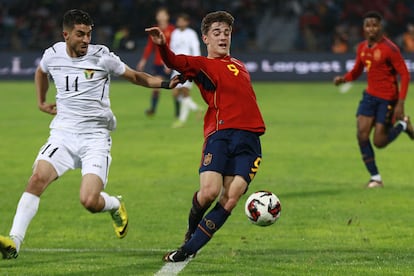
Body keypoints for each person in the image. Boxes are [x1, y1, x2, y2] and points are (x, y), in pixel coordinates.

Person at [0, 9, 180, 259]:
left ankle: (115, 205)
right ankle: (14, 243)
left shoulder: (102, 56)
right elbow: (41, 72)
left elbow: (136, 76)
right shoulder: (52, 54)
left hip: (95, 137)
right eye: (80, 34)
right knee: (37, 179)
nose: (86, 40)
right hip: (63, 133)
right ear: (66, 35)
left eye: (89, 34)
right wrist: (41, 102)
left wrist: (164, 83)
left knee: (89, 200)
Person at [146, 11, 266, 262]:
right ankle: (192, 230)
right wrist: (162, 47)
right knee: (209, 193)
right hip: (220, 136)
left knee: (231, 199)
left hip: (250, 141)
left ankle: (187, 250)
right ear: (205, 38)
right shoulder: (202, 64)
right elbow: (176, 62)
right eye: (217, 33)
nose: (223, 37)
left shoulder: (240, 65)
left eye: (227, 32)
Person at [334, 11, 414, 188]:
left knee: (379, 142)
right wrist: (344, 79)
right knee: (361, 134)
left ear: (380, 27)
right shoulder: (362, 48)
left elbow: (405, 75)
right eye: (368, 25)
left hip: (387, 99)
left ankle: (403, 124)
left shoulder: (390, 49)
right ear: (364, 28)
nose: (371, 28)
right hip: (370, 96)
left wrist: (400, 103)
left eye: (374, 25)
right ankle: (376, 178)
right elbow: (356, 70)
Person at [136, 7, 176, 117]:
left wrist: (170, 61)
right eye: (159, 14)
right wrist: (143, 61)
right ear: (157, 17)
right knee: (156, 87)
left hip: (172, 63)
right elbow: (149, 47)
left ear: (167, 16)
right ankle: (152, 110)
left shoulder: (172, 30)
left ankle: (178, 114)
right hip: (158, 63)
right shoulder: (154, 30)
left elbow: (175, 46)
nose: (161, 17)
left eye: (163, 14)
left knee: (176, 90)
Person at [170, 13, 203, 128]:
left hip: (188, 66)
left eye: (182, 21)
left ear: (186, 22)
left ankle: (181, 120)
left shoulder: (191, 34)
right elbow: (171, 48)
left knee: (184, 91)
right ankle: (196, 108)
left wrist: (196, 64)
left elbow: (195, 48)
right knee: (174, 92)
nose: (179, 23)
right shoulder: (175, 33)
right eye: (178, 20)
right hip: (176, 66)